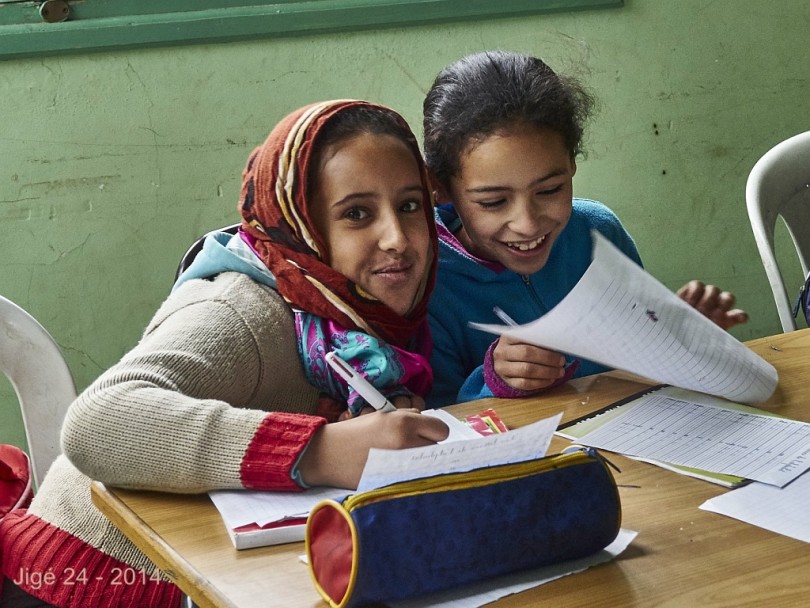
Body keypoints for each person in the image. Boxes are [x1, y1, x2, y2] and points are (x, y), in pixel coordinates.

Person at [0, 99, 448, 608]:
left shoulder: (364, 313)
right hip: (90, 584)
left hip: (225, 572)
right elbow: (94, 423)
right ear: (300, 223)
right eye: (357, 214)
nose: (397, 238)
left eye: (411, 206)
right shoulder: (243, 310)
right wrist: (323, 450)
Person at [422, 50, 749, 407]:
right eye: (493, 202)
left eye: (549, 190)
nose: (527, 223)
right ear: (441, 189)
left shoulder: (599, 234)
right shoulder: (430, 281)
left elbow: (637, 356)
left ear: (571, 164)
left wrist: (680, 338)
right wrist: (494, 380)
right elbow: (440, 421)